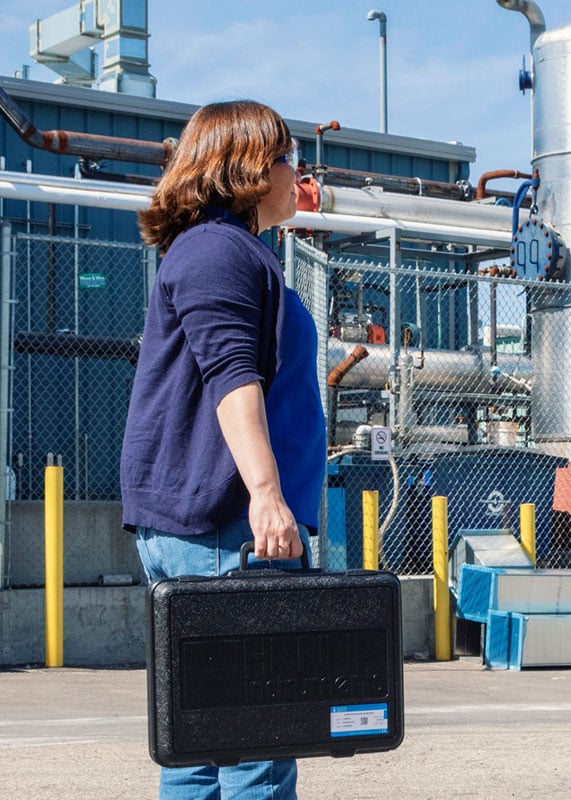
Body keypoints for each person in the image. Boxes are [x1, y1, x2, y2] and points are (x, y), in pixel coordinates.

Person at [120, 100, 326, 800]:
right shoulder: (218, 250)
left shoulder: (225, 249)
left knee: (205, 745)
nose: (297, 173)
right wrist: (268, 497)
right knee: (255, 747)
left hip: (214, 530)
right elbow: (231, 376)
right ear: (250, 166)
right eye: (288, 157)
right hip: (224, 529)